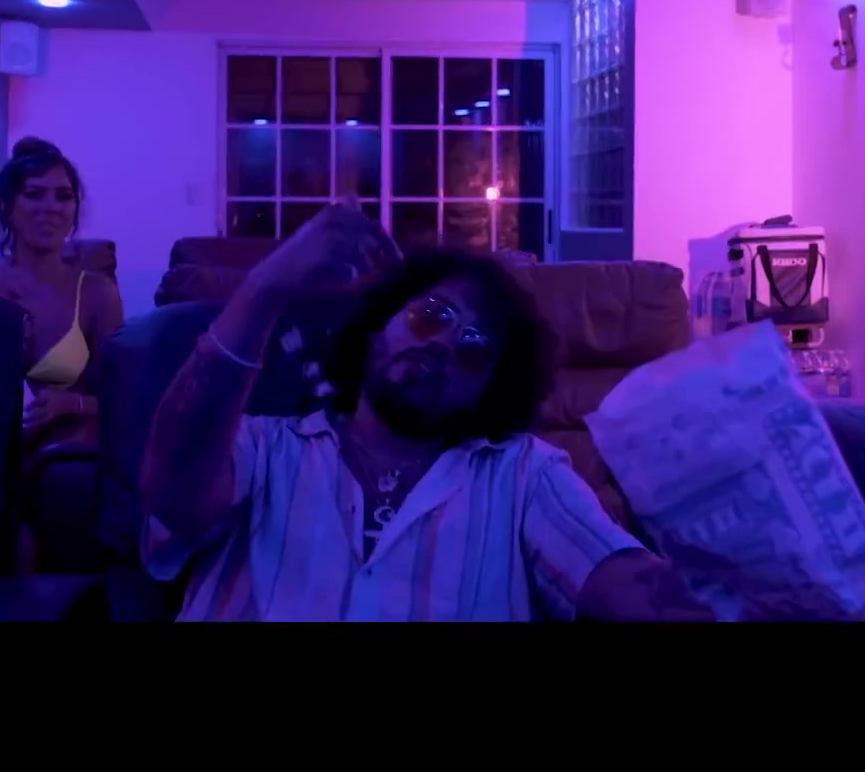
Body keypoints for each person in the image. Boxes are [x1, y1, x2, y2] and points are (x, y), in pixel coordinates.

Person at [139, 201, 717, 622]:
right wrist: (265, 288)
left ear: (490, 390)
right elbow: (173, 491)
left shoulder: (523, 474)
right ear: (376, 326)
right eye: (431, 316)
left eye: (474, 348)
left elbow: (623, 583)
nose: (444, 344)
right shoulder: (264, 449)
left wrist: (734, 575)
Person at [0, 137, 121, 449]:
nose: (51, 208)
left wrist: (73, 404)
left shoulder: (96, 292)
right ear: (6, 206)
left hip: (57, 453)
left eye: (64, 197)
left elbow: (125, 397)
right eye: (34, 194)